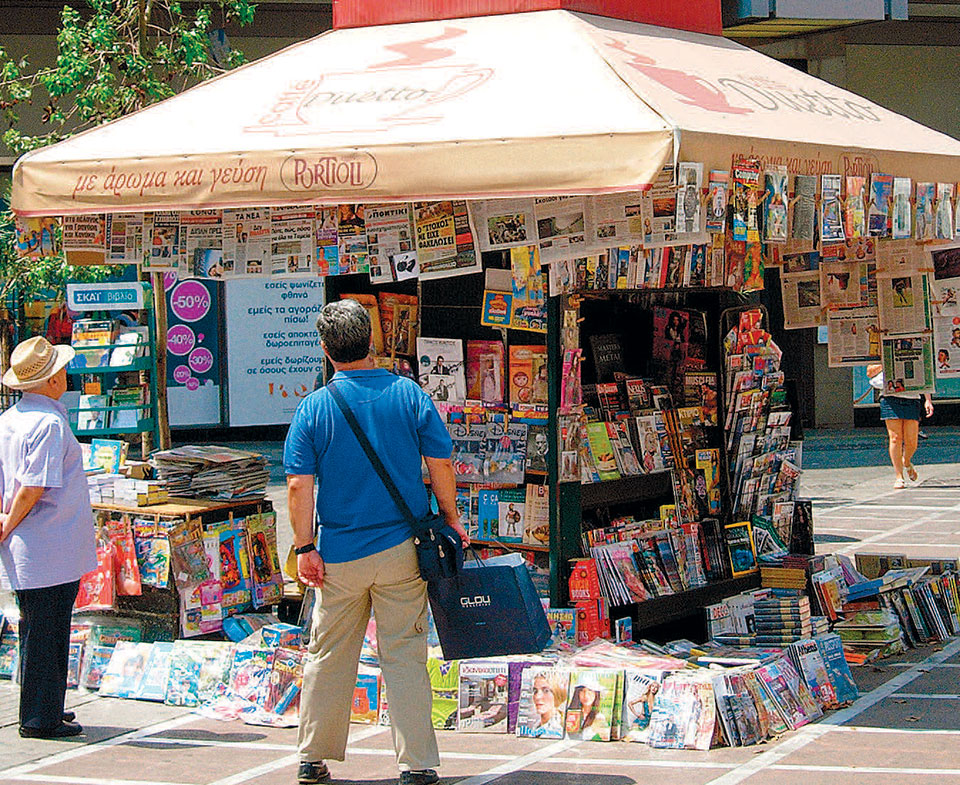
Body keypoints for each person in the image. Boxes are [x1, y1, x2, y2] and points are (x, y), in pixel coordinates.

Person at [285, 299, 469, 785]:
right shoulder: (408, 395)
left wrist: (304, 547)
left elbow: (299, 485)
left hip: (338, 555)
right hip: (402, 550)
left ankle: (313, 756)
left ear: (325, 349)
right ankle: (417, 763)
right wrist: (451, 517)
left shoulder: (314, 407)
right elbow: (440, 463)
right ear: (372, 340)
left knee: (328, 653)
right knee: (404, 654)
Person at [0, 336, 97, 739]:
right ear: (52, 380)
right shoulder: (49, 423)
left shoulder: (11, 419)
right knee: (46, 630)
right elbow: (33, 485)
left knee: (43, 627)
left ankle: (47, 705)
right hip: (47, 543)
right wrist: (7, 524)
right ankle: (40, 718)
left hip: (35, 544)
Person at [868, 363, 933, 489]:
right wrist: (886, 362)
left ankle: (906, 461)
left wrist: (928, 400)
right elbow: (869, 372)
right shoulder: (881, 354)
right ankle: (899, 476)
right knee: (895, 438)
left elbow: (924, 373)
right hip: (890, 397)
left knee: (911, 441)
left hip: (911, 397)